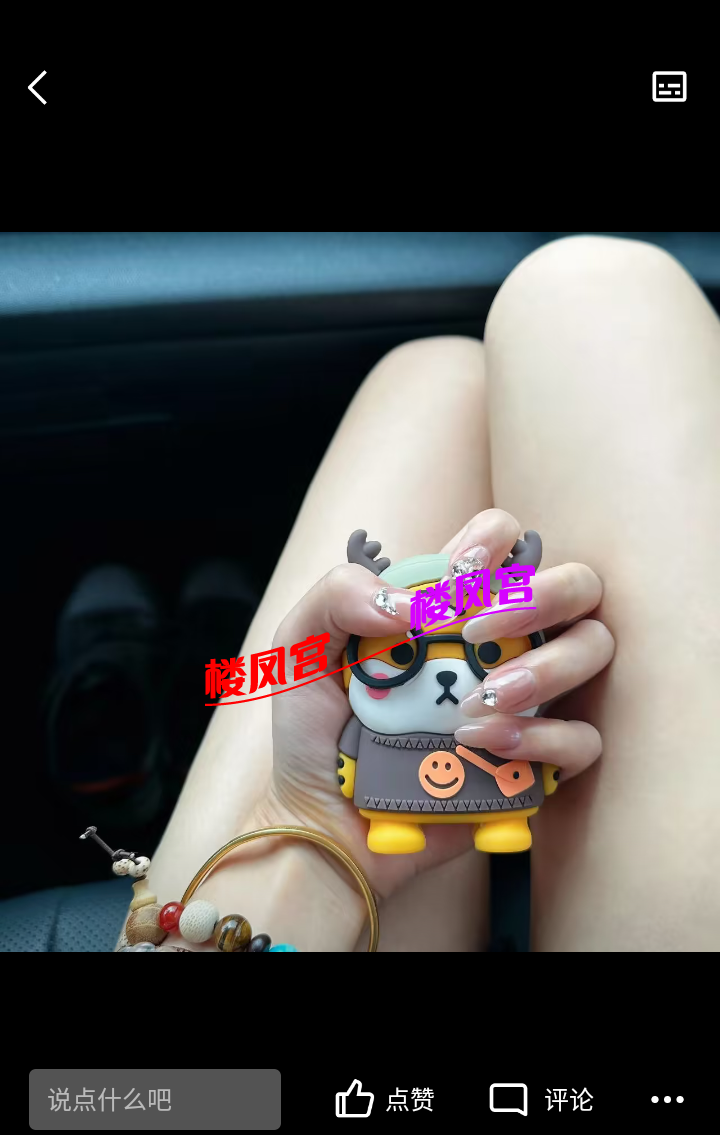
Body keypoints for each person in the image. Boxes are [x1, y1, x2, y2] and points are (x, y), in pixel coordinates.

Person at [131, 234, 720, 952]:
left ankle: (190, 674)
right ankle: (200, 664)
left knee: (438, 372)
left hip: (280, 885)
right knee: (593, 284)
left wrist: (312, 831)